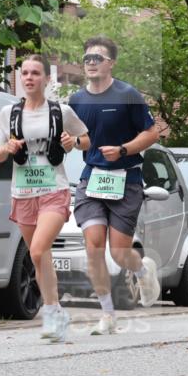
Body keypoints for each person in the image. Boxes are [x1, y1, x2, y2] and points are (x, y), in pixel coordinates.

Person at [0, 54, 88, 342]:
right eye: (25, 73)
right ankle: (55, 311)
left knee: (36, 250)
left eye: (35, 73)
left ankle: (51, 311)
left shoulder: (61, 112)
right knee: (41, 256)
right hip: (23, 193)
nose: (29, 78)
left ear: (46, 78)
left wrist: (73, 142)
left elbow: (86, 139)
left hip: (53, 191)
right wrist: (8, 148)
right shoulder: (9, 114)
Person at [69, 36, 160, 335]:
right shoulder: (76, 101)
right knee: (93, 247)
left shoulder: (127, 95)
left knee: (119, 253)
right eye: (87, 58)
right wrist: (72, 142)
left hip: (126, 179)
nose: (91, 63)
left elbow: (152, 133)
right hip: (92, 178)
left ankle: (142, 270)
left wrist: (123, 150)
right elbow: (81, 140)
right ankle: (107, 314)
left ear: (111, 63)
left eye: (97, 58)